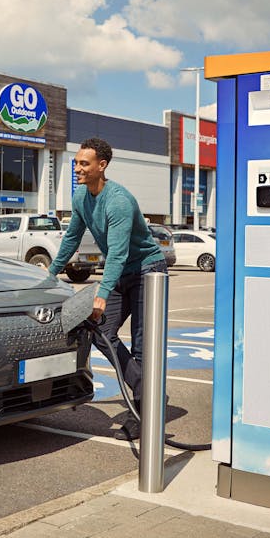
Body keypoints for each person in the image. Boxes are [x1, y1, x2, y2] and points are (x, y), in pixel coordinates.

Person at [48, 137, 166, 441]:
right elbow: (72, 238)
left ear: (102, 166)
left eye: (84, 163)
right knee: (101, 332)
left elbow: (117, 253)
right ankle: (147, 391)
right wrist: (50, 273)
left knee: (143, 346)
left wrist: (101, 294)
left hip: (146, 271)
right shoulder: (81, 197)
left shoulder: (119, 201)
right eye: (76, 162)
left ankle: (142, 413)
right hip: (122, 273)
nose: (77, 168)